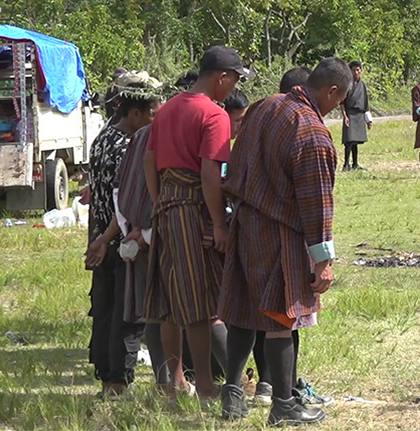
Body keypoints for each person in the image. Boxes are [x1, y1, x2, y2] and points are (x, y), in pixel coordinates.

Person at [218, 58, 350, 426]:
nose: (334, 109)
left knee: (243, 311)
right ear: (331, 91)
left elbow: (237, 158)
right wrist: (323, 259)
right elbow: (317, 200)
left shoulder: (264, 106)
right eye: (337, 103)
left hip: (244, 223)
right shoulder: (310, 130)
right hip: (279, 231)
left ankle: (232, 392)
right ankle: (283, 404)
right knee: (282, 317)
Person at [143, 45, 253, 405]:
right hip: (193, 208)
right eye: (234, 78)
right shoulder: (215, 115)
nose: (233, 86)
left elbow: (150, 159)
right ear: (221, 77)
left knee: (169, 300)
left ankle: (174, 383)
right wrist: (219, 224)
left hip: (166, 208)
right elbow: (210, 174)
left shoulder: (167, 108)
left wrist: (160, 199)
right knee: (198, 302)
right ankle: (206, 387)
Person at [84, 75, 161, 398]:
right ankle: (118, 381)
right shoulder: (128, 147)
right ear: (134, 114)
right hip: (121, 240)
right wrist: (110, 238)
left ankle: (106, 377)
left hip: (101, 239)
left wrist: (96, 239)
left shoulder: (100, 140)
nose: (154, 121)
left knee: (103, 312)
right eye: (151, 114)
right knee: (127, 315)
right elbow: (123, 201)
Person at [341, 61, 373, 171]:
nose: (356, 72)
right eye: (353, 70)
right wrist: (345, 116)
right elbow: (342, 102)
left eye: (358, 70)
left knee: (356, 141)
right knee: (349, 141)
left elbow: (366, 103)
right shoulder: (347, 84)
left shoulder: (362, 85)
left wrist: (368, 120)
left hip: (359, 114)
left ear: (361, 71)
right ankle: (346, 164)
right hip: (350, 113)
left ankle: (355, 163)